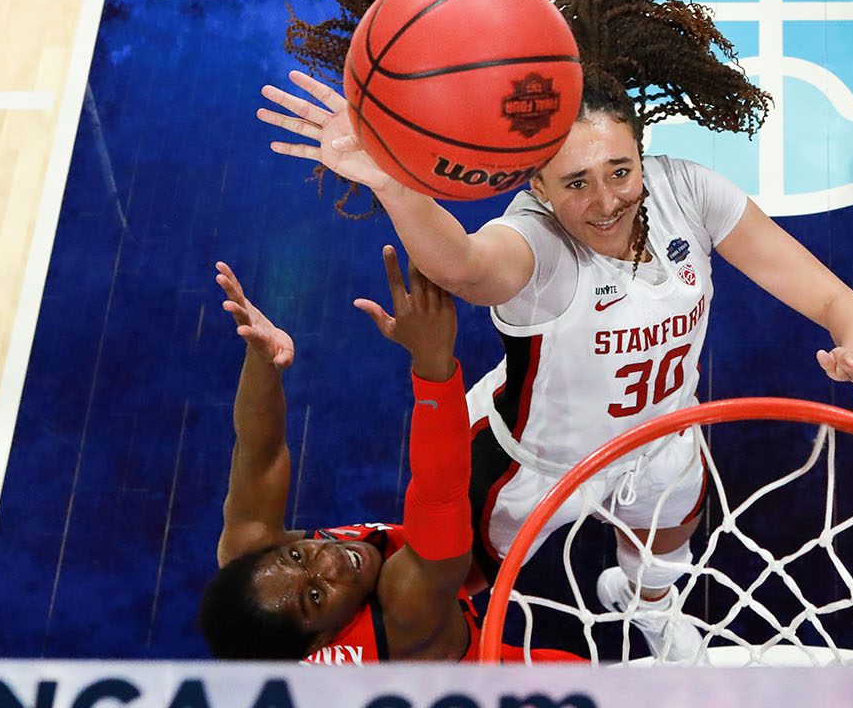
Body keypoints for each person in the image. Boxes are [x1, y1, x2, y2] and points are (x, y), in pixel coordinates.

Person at [260, 0, 853, 662]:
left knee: (667, 538)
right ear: (536, 184)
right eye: (576, 183)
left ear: (642, 152)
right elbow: (461, 266)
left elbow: (834, 299)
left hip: (659, 436)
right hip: (531, 463)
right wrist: (393, 182)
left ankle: (648, 608)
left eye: (621, 170)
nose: (605, 200)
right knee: (464, 579)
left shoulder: (694, 191)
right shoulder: (538, 246)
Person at [199, 246, 577, 662]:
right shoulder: (405, 611)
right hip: (479, 688)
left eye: (297, 555)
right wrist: (433, 362)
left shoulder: (254, 571)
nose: (327, 562)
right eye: (315, 594)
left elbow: (260, 452)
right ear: (319, 645)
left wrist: (261, 361)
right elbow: (440, 497)